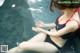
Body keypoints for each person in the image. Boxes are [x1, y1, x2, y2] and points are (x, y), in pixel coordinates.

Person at [6, 0, 80, 53]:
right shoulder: (70, 10)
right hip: (48, 34)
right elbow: (59, 24)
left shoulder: (73, 24)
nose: (56, 7)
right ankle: (4, 51)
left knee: (22, 45)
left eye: (57, 6)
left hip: (53, 44)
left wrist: (42, 30)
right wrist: (44, 25)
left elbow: (57, 34)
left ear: (66, 7)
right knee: (21, 47)